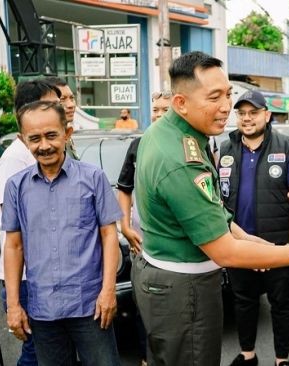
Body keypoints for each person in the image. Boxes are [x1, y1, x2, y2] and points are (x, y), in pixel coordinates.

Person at [132, 51, 289, 366]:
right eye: (214, 97)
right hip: (185, 290)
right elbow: (225, 252)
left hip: (178, 280)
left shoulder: (176, 134)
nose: (226, 108)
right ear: (180, 103)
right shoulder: (181, 158)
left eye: (228, 95)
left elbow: (211, 209)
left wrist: (248, 238)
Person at [2, 101, 123, 365]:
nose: (44, 145)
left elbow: (109, 235)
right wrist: (13, 305)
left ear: (66, 134)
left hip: (91, 306)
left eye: (51, 135)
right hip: (43, 310)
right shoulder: (16, 187)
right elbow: (13, 246)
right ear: (24, 141)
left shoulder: (93, 178)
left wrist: (108, 291)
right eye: (34, 139)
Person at [219, 90, 289, 366]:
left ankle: (282, 359)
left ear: (267, 115)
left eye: (253, 113)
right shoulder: (226, 148)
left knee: (281, 305)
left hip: (277, 246)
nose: (247, 119)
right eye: (242, 113)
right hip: (238, 245)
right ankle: (248, 356)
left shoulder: (288, 147)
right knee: (244, 302)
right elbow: (219, 200)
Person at [0, 79, 62, 366]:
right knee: (35, 351)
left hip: (47, 275)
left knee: (52, 350)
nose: (61, 108)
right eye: (52, 103)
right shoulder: (14, 161)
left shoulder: (49, 148)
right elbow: (13, 233)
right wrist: (14, 303)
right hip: (25, 278)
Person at [115, 90, 172, 366]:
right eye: (156, 109)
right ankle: (145, 358)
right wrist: (125, 226)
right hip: (142, 246)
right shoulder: (138, 145)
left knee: (174, 311)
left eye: (165, 108)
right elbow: (124, 189)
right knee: (143, 309)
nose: (159, 114)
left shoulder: (190, 144)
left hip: (177, 251)